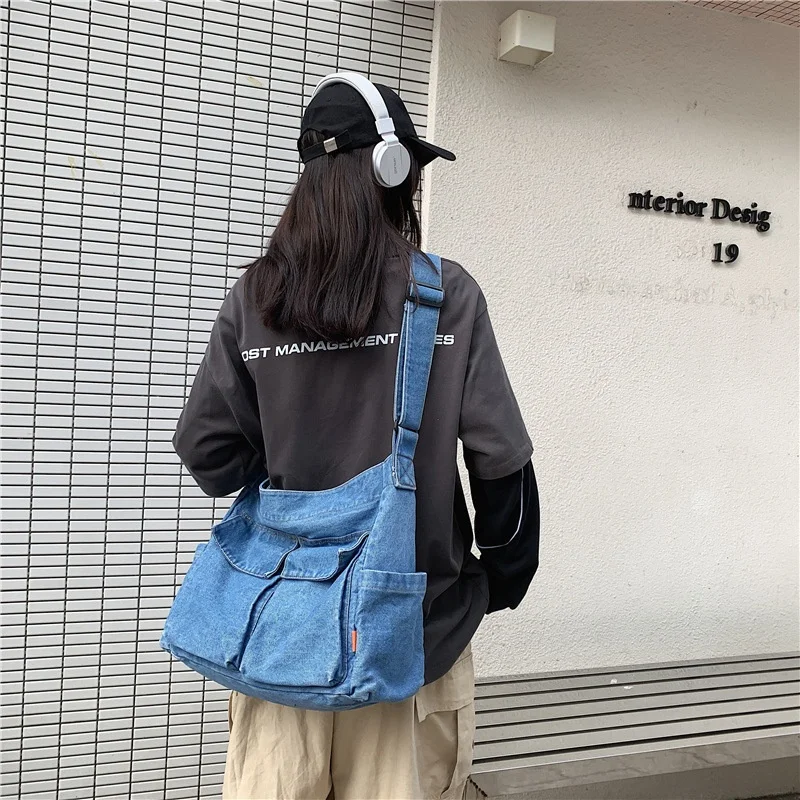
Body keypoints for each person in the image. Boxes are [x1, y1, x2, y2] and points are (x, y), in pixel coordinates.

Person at [171, 73, 540, 800]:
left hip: (283, 645)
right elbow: (501, 463)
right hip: (415, 643)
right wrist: (498, 581)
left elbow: (208, 456)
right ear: (390, 168)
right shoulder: (445, 295)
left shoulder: (255, 299)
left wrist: (293, 454)